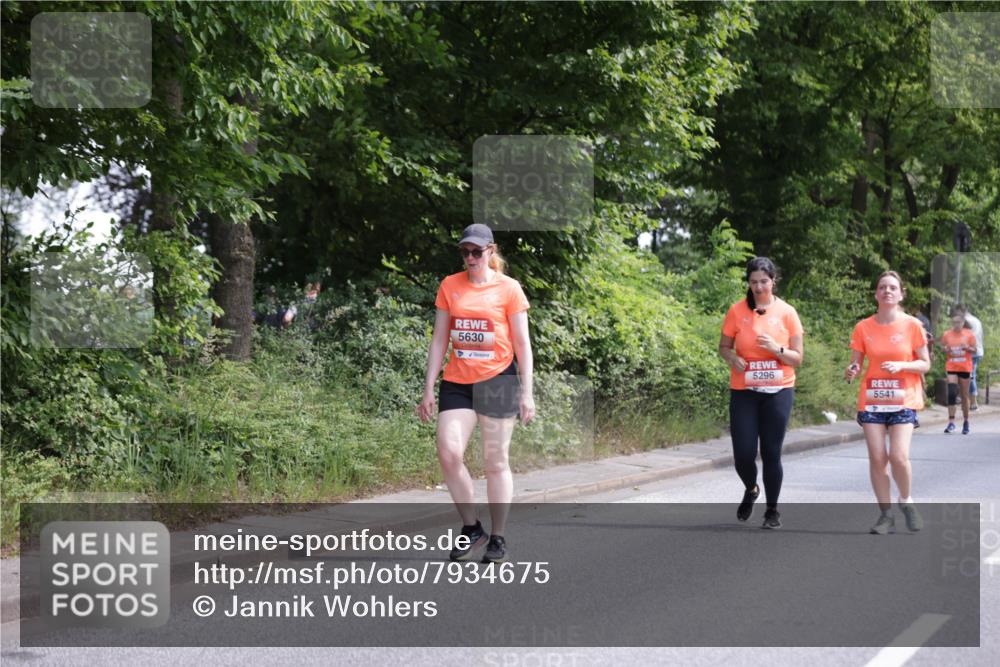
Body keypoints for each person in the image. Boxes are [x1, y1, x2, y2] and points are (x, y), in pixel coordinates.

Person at [416, 223, 535, 563]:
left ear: (490, 251)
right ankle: (472, 528)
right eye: (465, 252)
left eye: (476, 252)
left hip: (498, 380)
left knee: (495, 462)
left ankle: (498, 537)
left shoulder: (509, 289)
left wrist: (527, 393)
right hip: (458, 381)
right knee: (448, 452)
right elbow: (439, 339)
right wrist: (427, 389)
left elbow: (523, 345)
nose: (470, 257)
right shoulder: (450, 286)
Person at [719, 257, 804, 529]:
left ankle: (772, 510)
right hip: (744, 390)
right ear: (748, 283)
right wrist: (733, 359)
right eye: (754, 282)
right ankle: (751, 488)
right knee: (743, 453)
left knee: (771, 452)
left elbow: (797, 358)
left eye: (764, 282)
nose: (759, 287)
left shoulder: (788, 312)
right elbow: (724, 347)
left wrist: (775, 349)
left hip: (779, 390)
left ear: (773, 281)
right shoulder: (736, 311)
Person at [844, 271, 930, 535]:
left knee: (898, 456)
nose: (887, 291)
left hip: (904, 398)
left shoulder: (912, 325)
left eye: (893, 287)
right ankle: (886, 516)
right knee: (878, 457)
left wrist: (902, 365)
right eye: (882, 287)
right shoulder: (863, 327)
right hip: (872, 399)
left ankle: (906, 500)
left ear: (901, 294)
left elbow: (925, 364)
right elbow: (856, 363)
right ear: (876, 294)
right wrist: (851, 371)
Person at [940, 306, 977, 434]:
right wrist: (945, 349)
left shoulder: (969, 334)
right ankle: (951, 423)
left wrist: (967, 348)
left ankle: (966, 421)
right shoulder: (947, 334)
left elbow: (975, 350)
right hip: (951, 366)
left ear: (963, 323)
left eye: (958, 322)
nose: (956, 325)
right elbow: (943, 347)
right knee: (951, 393)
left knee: (964, 395)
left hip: (965, 367)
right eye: (954, 322)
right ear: (951, 322)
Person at [955, 305, 984, 411]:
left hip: (969, 352)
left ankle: (973, 402)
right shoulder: (977, 320)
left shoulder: (965, 321)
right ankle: (967, 399)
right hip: (978, 350)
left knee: (970, 376)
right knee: (969, 375)